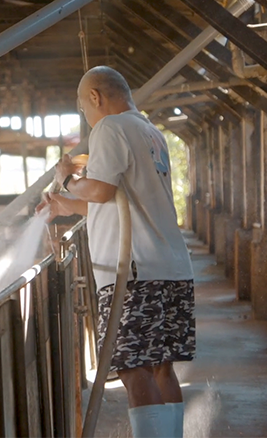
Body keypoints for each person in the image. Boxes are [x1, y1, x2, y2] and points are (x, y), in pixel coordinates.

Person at [37, 66, 195, 438]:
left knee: (132, 368)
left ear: (95, 97)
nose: (88, 119)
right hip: (170, 267)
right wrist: (66, 205)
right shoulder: (150, 132)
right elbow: (120, 203)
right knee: (161, 368)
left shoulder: (110, 127)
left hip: (133, 272)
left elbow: (102, 191)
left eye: (84, 110)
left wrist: (67, 177)